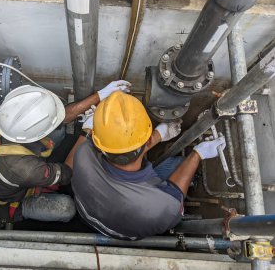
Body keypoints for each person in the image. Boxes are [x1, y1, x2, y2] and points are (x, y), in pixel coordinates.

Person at [66, 91, 226, 240]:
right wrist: (196, 155)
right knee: (177, 163)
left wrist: (156, 137)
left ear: (99, 145)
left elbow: (120, 152)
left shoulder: (82, 156)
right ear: (147, 140)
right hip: (132, 223)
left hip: (91, 218)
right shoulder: (160, 206)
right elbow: (175, 195)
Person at [0, 81, 131, 223]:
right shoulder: (27, 170)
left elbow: (61, 116)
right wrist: (86, 132)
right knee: (66, 208)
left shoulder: (8, 123)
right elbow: (67, 174)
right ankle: (25, 211)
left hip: (15, 170)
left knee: (58, 132)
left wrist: (101, 94)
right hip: (14, 201)